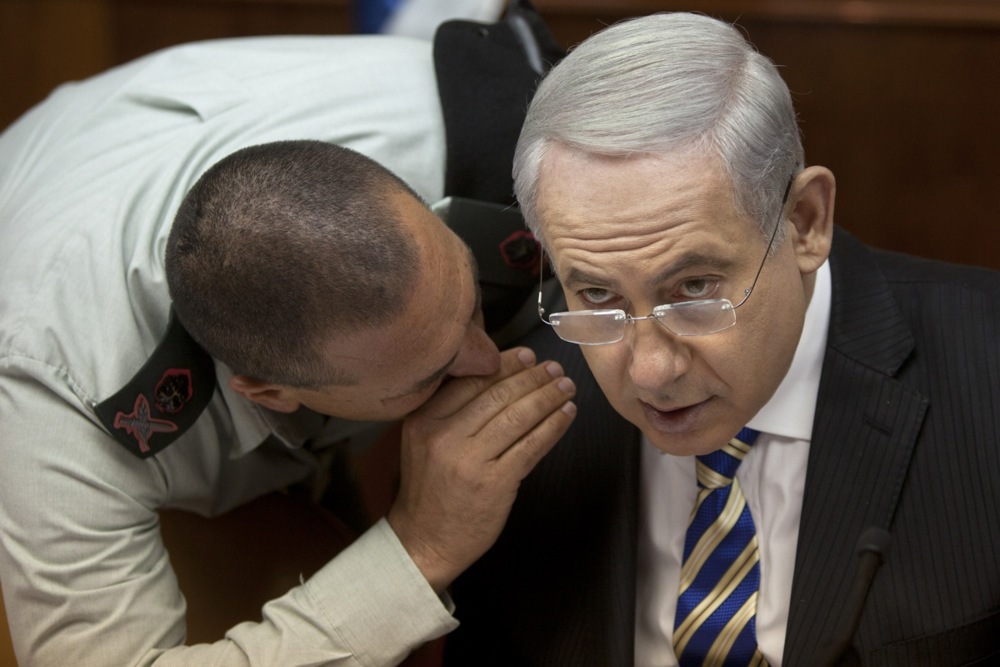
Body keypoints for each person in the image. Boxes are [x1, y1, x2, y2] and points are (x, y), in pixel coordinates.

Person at [0, 31, 578, 667]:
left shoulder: (489, 132)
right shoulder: (55, 412)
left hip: (140, 118)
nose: (486, 361)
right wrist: (419, 549)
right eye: (429, 373)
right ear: (268, 392)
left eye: (467, 299)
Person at [443, 12, 1000, 666]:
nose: (649, 371)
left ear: (804, 222)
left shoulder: (985, 369)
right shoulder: (510, 432)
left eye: (694, 288)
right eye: (596, 293)